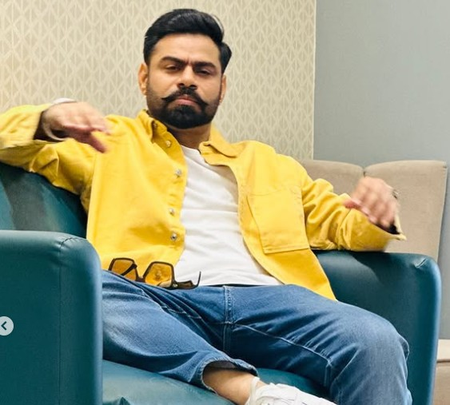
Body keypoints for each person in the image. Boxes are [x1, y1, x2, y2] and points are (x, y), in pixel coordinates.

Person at [0, 8, 411, 405]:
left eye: (203, 70)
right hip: (159, 302)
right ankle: (253, 392)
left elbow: (344, 225)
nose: (187, 79)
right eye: (172, 67)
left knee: (375, 339)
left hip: (273, 306)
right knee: (87, 289)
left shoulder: (270, 163)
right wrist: (49, 117)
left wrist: (380, 208)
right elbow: (8, 143)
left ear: (222, 86)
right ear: (144, 77)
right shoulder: (107, 141)